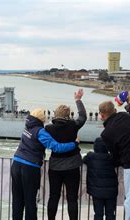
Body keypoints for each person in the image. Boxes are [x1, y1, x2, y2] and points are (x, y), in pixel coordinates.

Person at [12, 108, 79, 220]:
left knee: (17, 199)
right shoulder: (40, 131)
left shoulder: (27, 127)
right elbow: (56, 147)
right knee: (30, 200)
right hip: (29, 167)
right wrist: (74, 144)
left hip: (16, 163)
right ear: (42, 118)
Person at [46, 88, 87, 220]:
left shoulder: (48, 128)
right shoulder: (73, 125)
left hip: (55, 167)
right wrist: (78, 100)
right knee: (72, 198)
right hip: (72, 166)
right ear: (68, 115)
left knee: (53, 196)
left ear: (55, 114)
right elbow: (83, 116)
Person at [83, 138, 118, 220]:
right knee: (110, 214)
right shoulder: (111, 158)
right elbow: (119, 161)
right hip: (111, 192)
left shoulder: (90, 157)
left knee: (98, 214)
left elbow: (84, 159)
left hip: (96, 192)